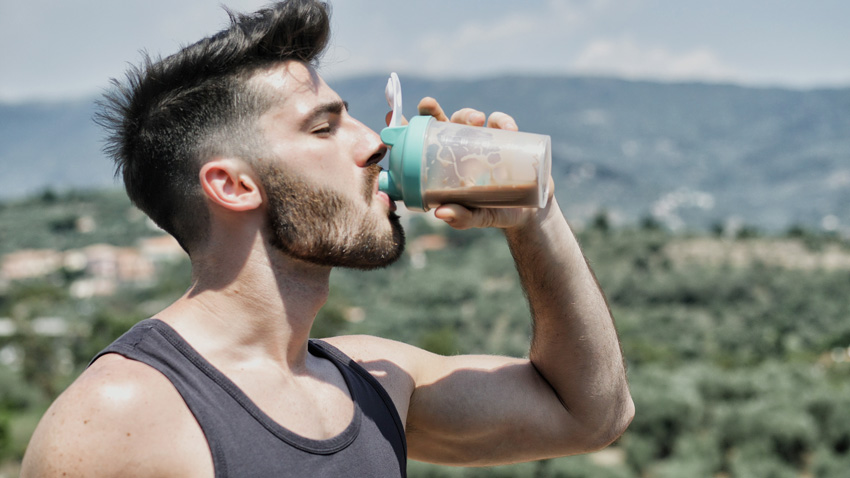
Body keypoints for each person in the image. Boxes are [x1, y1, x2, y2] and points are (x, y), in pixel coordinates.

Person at [21, 1, 633, 476]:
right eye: (324, 127)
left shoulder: (374, 381)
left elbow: (591, 414)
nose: (372, 143)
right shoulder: (124, 416)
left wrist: (533, 213)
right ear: (233, 185)